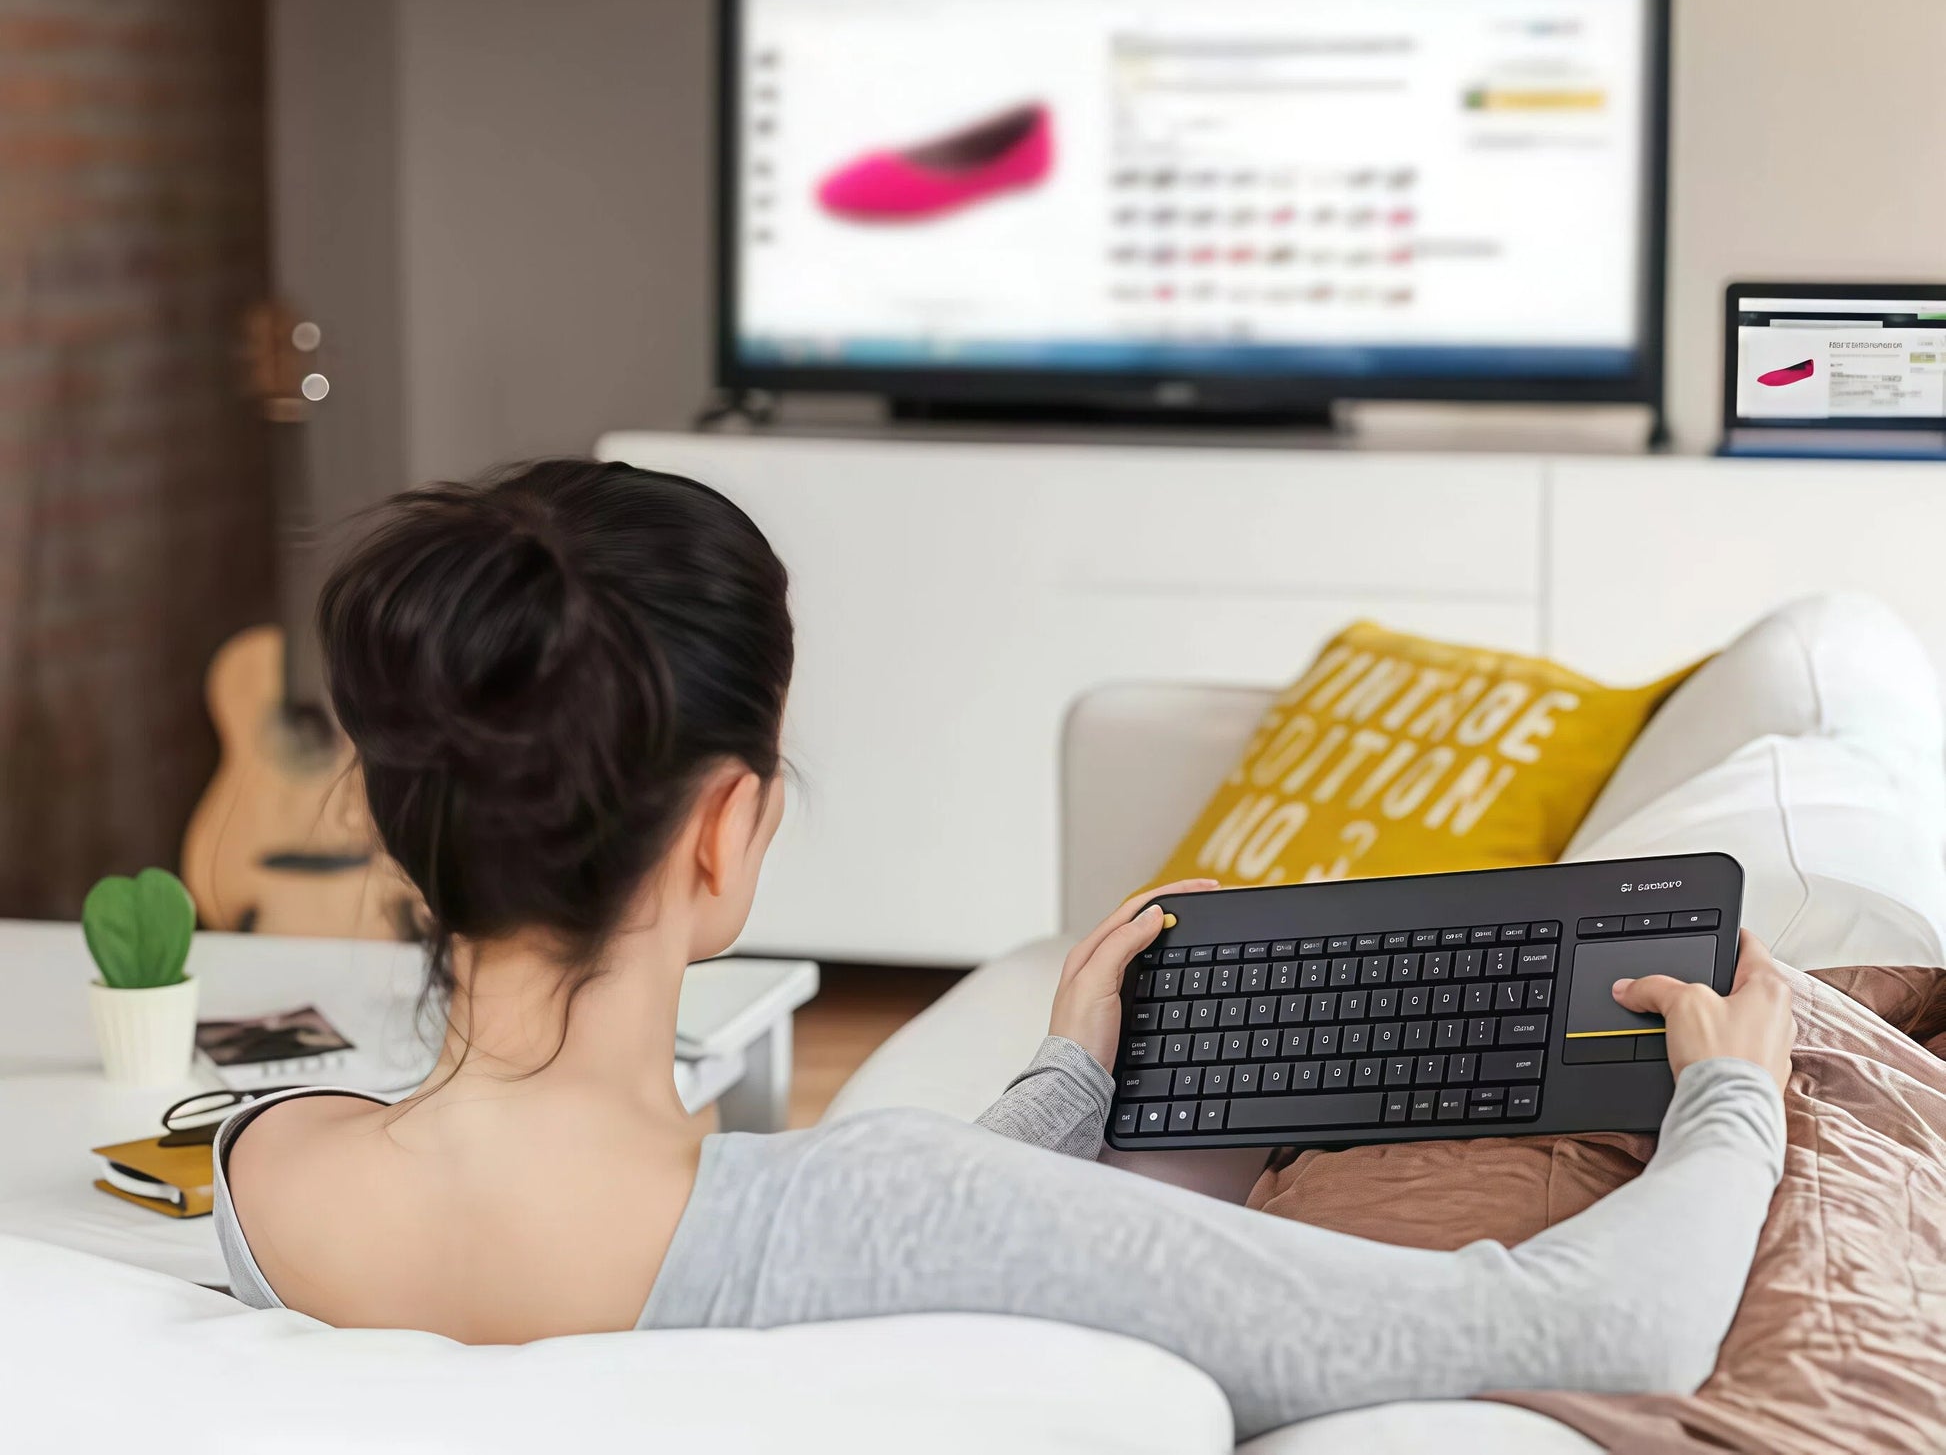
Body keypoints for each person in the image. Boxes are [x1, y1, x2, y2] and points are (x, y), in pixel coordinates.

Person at [214, 459, 1793, 1440]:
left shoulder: (269, 1170)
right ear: (722, 829)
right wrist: (1736, 1097)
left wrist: (1060, 1087)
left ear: (407, 824)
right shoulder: (893, 1202)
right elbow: (1589, 1329)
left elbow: (829, 1254)